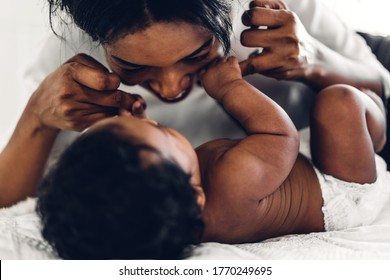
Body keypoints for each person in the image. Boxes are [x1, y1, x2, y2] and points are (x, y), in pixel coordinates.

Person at [2, 55, 388, 259]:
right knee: (338, 103)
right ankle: (379, 124)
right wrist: (229, 88)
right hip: (343, 188)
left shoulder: (162, 215)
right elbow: (279, 134)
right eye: (162, 131)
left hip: (291, 166)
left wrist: (136, 128)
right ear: (197, 196)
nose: (149, 117)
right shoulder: (233, 186)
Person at [19, 0, 390, 167]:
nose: (169, 88)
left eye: (196, 55)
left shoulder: (272, 10)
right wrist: (37, 117)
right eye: (132, 66)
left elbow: (381, 83)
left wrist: (316, 62)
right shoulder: (71, 55)